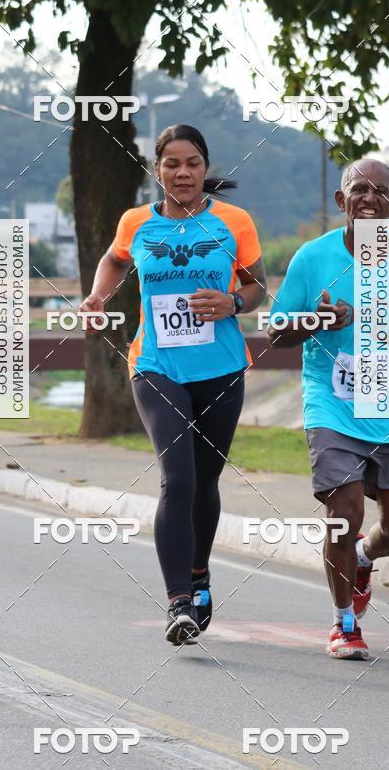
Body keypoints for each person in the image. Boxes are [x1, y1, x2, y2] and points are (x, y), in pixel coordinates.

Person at [80, 125, 267, 645]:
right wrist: (97, 296)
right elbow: (115, 259)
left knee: (205, 484)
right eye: (171, 164)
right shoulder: (136, 222)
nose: (182, 173)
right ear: (156, 169)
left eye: (192, 163)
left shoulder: (233, 221)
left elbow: (257, 286)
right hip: (156, 365)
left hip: (222, 367)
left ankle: (200, 572)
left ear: (205, 168)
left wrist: (232, 303)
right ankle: (178, 600)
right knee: (177, 480)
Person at [268, 159, 389, 660]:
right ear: (340, 201)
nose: (369, 198)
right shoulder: (312, 258)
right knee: (342, 514)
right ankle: (344, 623)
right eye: (358, 189)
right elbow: (276, 332)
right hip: (334, 405)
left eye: (380, 192)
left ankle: (366, 558)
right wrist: (317, 320)